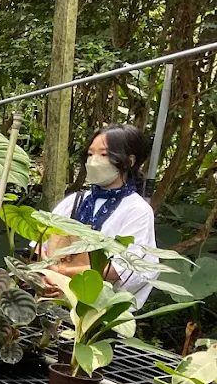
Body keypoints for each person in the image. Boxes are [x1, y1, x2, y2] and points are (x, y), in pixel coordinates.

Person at [47, 124, 158, 306]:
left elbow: (122, 269)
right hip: (56, 304)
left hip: (100, 313)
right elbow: (40, 245)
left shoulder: (137, 210)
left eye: (104, 155)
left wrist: (63, 273)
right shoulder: (74, 200)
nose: (94, 161)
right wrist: (50, 275)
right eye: (90, 154)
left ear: (129, 161)